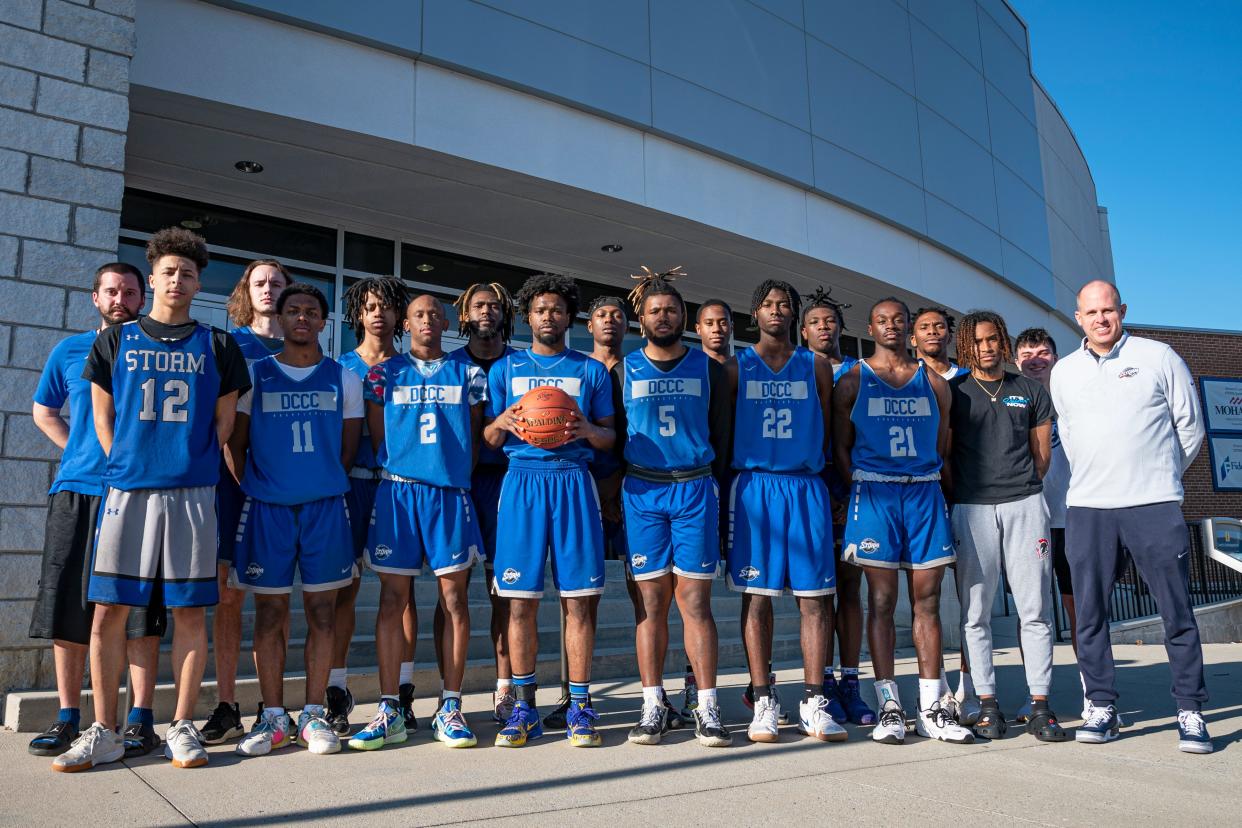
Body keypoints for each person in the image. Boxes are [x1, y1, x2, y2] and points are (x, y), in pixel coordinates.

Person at [57, 227, 250, 771]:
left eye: (188, 273)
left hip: (191, 492)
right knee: (109, 613)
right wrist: (133, 465)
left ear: (197, 283)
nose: (178, 280)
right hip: (128, 490)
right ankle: (105, 729)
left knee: (189, 611)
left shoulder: (217, 343)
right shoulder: (114, 341)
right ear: (152, 279)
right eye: (169, 271)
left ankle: (181, 726)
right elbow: (101, 418)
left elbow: (224, 421)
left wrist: (182, 463)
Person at [1052, 280, 1211, 754]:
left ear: (1122, 310)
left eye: (1108, 310)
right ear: (1077, 317)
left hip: (1153, 503)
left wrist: (1161, 476)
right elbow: (1074, 438)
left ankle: (1191, 710)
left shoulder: (1159, 357)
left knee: (1176, 611)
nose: (1101, 319)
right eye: (1091, 312)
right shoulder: (1064, 372)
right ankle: (1101, 706)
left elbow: (1191, 427)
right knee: (1091, 614)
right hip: (1088, 507)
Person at [29, 263, 166, 764]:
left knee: (139, 614)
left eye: (130, 292)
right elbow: (44, 411)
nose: (120, 299)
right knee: (69, 606)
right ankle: (68, 717)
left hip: (137, 494)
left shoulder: (154, 351)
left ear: (142, 297)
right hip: (78, 493)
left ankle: (140, 720)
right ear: (95, 297)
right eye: (112, 291)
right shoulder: (68, 351)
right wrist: (76, 452)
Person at [227, 284, 362, 757]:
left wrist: (315, 481)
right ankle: (271, 716)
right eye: (293, 310)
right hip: (268, 510)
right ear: (279, 318)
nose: (302, 317)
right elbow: (235, 446)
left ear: (324, 322)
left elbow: (346, 451)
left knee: (323, 612)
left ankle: (312, 714)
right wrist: (264, 486)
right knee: (269, 613)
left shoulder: (342, 378)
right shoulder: (256, 375)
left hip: (325, 508)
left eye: (311, 311)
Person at [483, 273, 615, 748]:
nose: (548, 317)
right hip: (522, 483)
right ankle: (524, 705)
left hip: (574, 483)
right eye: (540, 310)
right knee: (519, 603)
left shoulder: (591, 371)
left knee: (579, 601)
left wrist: (586, 430)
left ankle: (580, 705)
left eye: (557, 310)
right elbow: (491, 438)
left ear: (569, 317)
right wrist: (499, 421)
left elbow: (609, 437)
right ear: (528, 316)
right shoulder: (504, 370)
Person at [351, 294, 488, 751]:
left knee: (454, 599)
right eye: (418, 315)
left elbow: (471, 436)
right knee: (392, 600)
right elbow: (377, 436)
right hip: (397, 492)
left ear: (447, 322)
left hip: (449, 495)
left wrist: (445, 472)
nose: (427, 320)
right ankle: (390, 707)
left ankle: (450, 706)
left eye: (434, 314)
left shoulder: (468, 372)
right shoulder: (382, 373)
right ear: (404, 324)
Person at [834, 297, 972, 745]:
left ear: (909, 329)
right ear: (870, 328)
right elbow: (839, 446)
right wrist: (854, 487)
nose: (891, 326)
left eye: (899, 320)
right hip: (874, 492)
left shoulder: (934, 382)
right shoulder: (854, 379)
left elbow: (943, 445)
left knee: (928, 599)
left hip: (924, 491)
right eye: (882, 320)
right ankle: (889, 705)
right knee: (881, 599)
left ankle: (932, 706)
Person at [725, 280, 845, 744]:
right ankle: (763, 698)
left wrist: (835, 489)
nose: (777, 311)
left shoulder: (816, 365)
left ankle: (815, 699)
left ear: (794, 313)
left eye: (784, 305)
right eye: (768, 305)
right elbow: (724, 434)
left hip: (806, 486)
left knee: (815, 599)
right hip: (754, 487)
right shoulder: (738, 367)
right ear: (754, 313)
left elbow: (832, 434)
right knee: (757, 597)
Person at [617, 269, 732, 747]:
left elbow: (722, 436)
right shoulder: (622, 368)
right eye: (654, 310)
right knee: (650, 606)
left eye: (671, 310)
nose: (663, 316)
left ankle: (707, 707)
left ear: (683, 316)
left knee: (695, 603)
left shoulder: (710, 367)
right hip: (642, 491)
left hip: (693, 488)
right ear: (640, 319)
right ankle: (652, 706)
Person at [948, 311, 1067, 742]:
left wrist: (1019, 487)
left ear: (1004, 341)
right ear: (968, 346)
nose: (987, 347)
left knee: (1034, 609)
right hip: (972, 506)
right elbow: (945, 452)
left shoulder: (1030, 389)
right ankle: (987, 705)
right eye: (978, 341)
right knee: (974, 612)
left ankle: (1039, 705)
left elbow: (1042, 455)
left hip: (1025, 503)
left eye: (994, 339)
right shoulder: (954, 391)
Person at [201, 260, 288, 745]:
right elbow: (222, 419)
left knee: (275, 598)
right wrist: (238, 471)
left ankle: (273, 707)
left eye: (277, 282)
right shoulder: (229, 344)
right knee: (230, 594)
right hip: (235, 484)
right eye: (260, 282)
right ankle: (227, 702)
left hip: (284, 488)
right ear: (245, 291)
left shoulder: (305, 346)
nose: (269, 289)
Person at [330, 276, 413, 736]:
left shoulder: (410, 368)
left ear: (399, 316)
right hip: (352, 485)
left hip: (397, 486)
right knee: (345, 588)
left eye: (386, 306)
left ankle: (401, 691)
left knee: (399, 593)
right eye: (369, 307)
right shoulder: (339, 367)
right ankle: (337, 690)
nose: (378, 314)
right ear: (357, 315)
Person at [800, 287, 875, 727]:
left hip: (851, 487)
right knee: (814, 593)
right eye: (815, 322)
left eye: (830, 321)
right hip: (809, 485)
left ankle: (850, 681)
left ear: (841, 328)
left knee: (850, 588)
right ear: (803, 330)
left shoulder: (859, 372)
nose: (824, 327)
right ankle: (820, 682)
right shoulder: (794, 369)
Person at [449, 283, 518, 724]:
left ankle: (505, 687)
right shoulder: (450, 364)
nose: (487, 311)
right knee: (450, 592)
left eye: (495, 305)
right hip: (457, 484)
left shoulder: (520, 364)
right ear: (466, 314)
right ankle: (447, 696)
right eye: (479, 305)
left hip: (508, 481)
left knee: (504, 593)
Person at [1014, 329, 1075, 651]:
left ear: (1056, 357)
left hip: (1073, 518)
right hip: (1028, 518)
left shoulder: (1073, 400)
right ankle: (1035, 694)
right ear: (1016, 361)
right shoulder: (1011, 404)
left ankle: (1090, 689)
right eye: (1026, 355)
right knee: (1030, 612)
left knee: (1079, 608)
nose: (1035, 360)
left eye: (1042, 353)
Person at [910, 307, 967, 380]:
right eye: (924, 327)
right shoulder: (900, 379)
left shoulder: (968, 378)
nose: (932, 331)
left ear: (949, 338)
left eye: (940, 327)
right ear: (913, 340)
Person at [695, 299, 733, 364]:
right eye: (709, 323)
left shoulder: (746, 371)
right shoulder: (687, 371)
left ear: (732, 327)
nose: (716, 329)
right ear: (698, 329)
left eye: (723, 323)